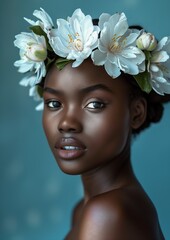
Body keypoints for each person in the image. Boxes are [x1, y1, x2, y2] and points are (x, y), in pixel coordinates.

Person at [14, 8, 170, 240]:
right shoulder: (85, 210)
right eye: (55, 103)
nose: (66, 123)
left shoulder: (107, 214)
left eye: (95, 104)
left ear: (136, 113)